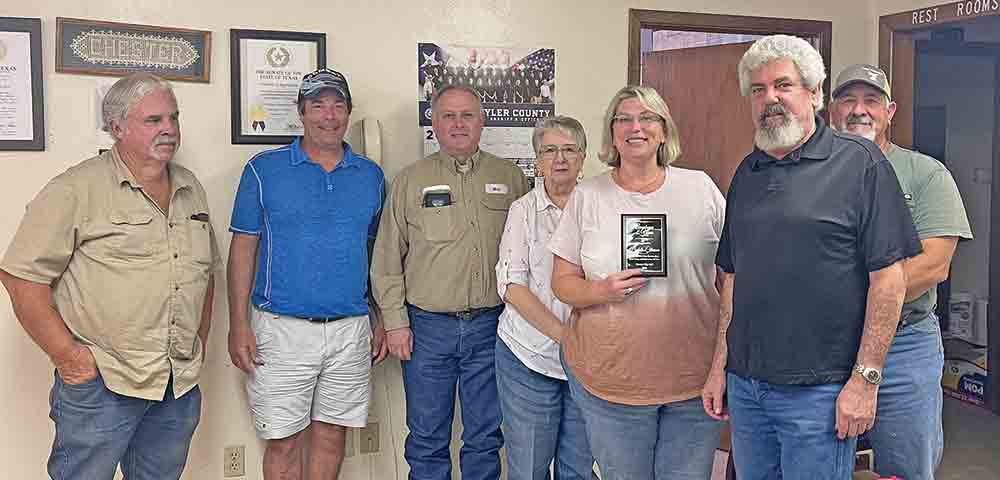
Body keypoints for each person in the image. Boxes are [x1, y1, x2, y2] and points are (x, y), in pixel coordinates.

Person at [702, 36, 923, 479]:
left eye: (783, 85)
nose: (770, 99)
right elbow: (734, 280)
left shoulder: (859, 164)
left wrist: (866, 380)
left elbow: (889, 281)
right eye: (759, 90)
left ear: (815, 94)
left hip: (820, 392)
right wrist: (719, 366)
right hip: (747, 388)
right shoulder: (747, 173)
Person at [0, 72, 219, 480]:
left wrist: (197, 344)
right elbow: (21, 278)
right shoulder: (75, 189)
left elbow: (205, 276)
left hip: (176, 385)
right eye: (154, 120)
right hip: (104, 384)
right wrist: (71, 360)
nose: (169, 129)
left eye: (173, 117)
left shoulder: (190, 188)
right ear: (116, 127)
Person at [548, 85, 725, 479]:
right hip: (613, 382)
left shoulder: (700, 189)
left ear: (664, 131)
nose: (636, 127)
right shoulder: (588, 196)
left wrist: (725, 359)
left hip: (694, 381)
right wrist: (600, 291)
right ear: (612, 133)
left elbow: (733, 278)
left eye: (647, 118)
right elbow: (562, 282)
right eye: (624, 119)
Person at [227, 68, 388, 480]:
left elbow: (376, 253)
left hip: (350, 329)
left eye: (337, 105)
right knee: (283, 440)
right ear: (301, 112)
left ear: (349, 112)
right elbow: (243, 248)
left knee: (333, 433)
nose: (328, 115)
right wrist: (238, 324)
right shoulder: (264, 170)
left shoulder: (370, 176)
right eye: (317, 105)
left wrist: (381, 316)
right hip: (280, 329)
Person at [371, 84, 529, 480]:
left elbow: (532, 255)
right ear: (434, 124)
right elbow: (387, 258)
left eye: (467, 115)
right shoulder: (410, 181)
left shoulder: (510, 178)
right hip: (427, 330)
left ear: (482, 120)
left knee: (485, 436)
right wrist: (395, 322)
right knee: (426, 437)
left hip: (492, 328)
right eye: (448, 116)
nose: (458, 124)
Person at [830, 63, 973, 480]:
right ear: (830, 109)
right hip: (823, 342)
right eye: (848, 100)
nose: (860, 110)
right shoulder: (809, 174)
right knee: (818, 460)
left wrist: (852, 299)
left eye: (871, 101)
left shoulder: (925, 174)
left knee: (906, 464)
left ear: (890, 111)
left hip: (905, 344)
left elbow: (934, 264)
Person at [495, 116, 593, 479]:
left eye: (569, 149)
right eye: (549, 150)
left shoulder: (601, 207)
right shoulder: (523, 210)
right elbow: (512, 286)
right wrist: (565, 336)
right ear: (537, 160)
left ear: (583, 157)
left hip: (590, 360)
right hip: (528, 356)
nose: (560, 158)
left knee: (579, 466)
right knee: (530, 466)